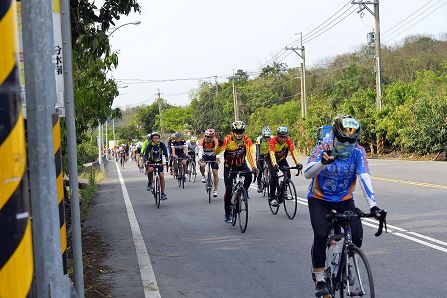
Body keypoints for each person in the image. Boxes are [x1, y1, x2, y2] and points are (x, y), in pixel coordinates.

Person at [303, 115, 384, 297]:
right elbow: (307, 174)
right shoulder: (323, 147)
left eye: (351, 140)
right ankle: (320, 276)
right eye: (343, 139)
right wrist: (323, 163)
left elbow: (363, 176)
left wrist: (373, 206)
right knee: (322, 234)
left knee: (357, 234)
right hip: (319, 199)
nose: (347, 144)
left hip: (344, 199)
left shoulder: (358, 152)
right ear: (334, 135)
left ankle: (345, 260)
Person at [214, 121, 256, 223]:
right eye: (236, 131)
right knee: (228, 190)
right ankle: (227, 213)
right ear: (233, 132)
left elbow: (249, 154)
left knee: (249, 175)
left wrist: (254, 167)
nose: (239, 134)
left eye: (241, 131)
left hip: (241, 164)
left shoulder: (247, 140)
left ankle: (243, 192)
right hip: (229, 166)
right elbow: (217, 152)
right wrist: (219, 145)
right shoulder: (228, 140)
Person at [268, 126, 302, 207]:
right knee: (273, 176)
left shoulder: (288, 140)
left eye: (285, 137)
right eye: (281, 137)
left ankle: (283, 192)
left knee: (288, 174)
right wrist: (274, 164)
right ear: (277, 135)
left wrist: (298, 163)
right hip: (271, 160)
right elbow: (272, 153)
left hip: (282, 159)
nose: (283, 139)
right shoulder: (273, 140)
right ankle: (272, 197)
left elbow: (293, 151)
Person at [144, 132, 169, 200]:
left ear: (159, 139)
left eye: (157, 138)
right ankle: (150, 182)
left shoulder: (161, 144)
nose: (156, 139)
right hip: (151, 161)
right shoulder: (150, 145)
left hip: (159, 162)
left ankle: (163, 193)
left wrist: (167, 159)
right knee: (150, 170)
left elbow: (165, 152)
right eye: (154, 138)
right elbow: (146, 153)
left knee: (161, 176)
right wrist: (146, 160)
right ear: (152, 139)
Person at [198, 128, 220, 197]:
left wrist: (217, 158)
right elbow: (200, 151)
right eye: (206, 136)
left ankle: (215, 190)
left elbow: (217, 151)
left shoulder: (215, 141)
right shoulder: (201, 141)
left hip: (213, 155)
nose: (207, 138)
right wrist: (200, 158)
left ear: (212, 137)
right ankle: (203, 175)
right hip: (205, 155)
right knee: (202, 165)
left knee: (215, 172)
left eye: (210, 137)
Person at [255, 126, 272, 193]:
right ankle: (259, 184)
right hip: (260, 155)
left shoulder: (272, 139)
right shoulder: (259, 139)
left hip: (268, 154)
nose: (267, 138)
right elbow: (258, 149)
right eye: (265, 137)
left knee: (272, 168)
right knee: (260, 170)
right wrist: (258, 157)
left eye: (268, 137)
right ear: (262, 135)